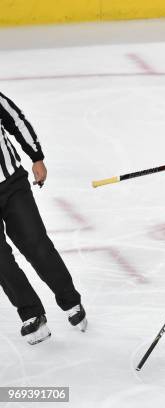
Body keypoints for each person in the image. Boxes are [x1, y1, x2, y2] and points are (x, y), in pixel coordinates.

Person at [0, 91, 86, 345]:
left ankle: (70, 301)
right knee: (1, 261)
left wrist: (36, 156)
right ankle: (32, 314)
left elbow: (16, 120)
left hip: (12, 185)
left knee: (36, 244)